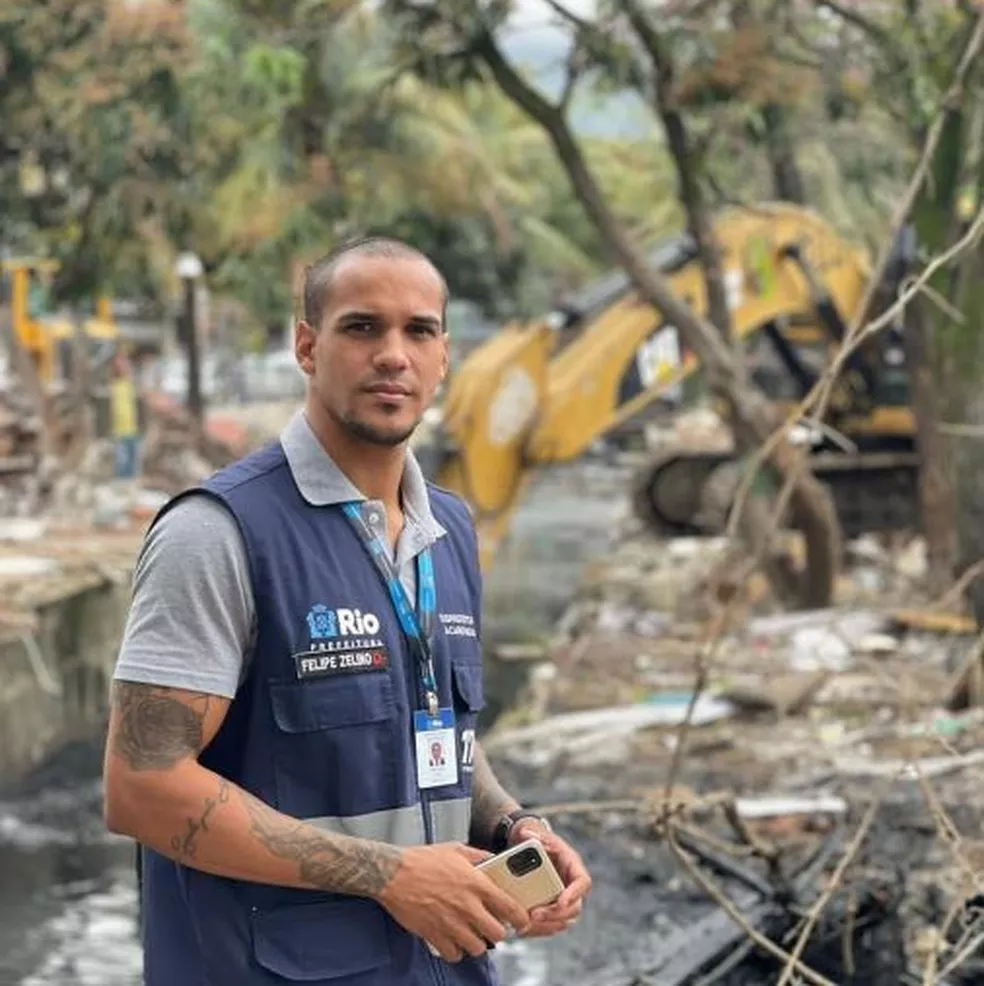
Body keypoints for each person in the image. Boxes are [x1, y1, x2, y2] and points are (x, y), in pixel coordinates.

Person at [102, 237, 592, 985]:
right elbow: (142, 787)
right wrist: (391, 874)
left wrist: (512, 826)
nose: (393, 355)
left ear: (444, 357)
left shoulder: (448, 529)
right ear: (308, 346)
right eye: (362, 327)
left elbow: (434, 727)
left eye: (419, 331)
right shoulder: (219, 533)